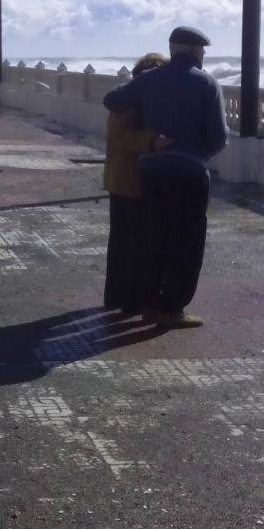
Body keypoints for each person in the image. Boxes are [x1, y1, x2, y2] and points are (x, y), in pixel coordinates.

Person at [103, 26, 227, 330]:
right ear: (195, 51)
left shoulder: (148, 80)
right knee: (187, 241)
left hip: (153, 173)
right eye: (202, 50)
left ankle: (150, 304)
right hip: (190, 173)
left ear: (173, 49)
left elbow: (111, 100)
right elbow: (219, 137)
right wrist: (198, 152)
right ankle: (172, 309)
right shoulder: (207, 83)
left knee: (156, 238)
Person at [103, 53, 167, 315]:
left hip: (120, 179)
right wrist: (153, 140)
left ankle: (116, 296)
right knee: (134, 243)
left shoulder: (124, 95)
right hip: (131, 180)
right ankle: (131, 301)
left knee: (121, 241)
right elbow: (122, 136)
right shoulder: (132, 100)